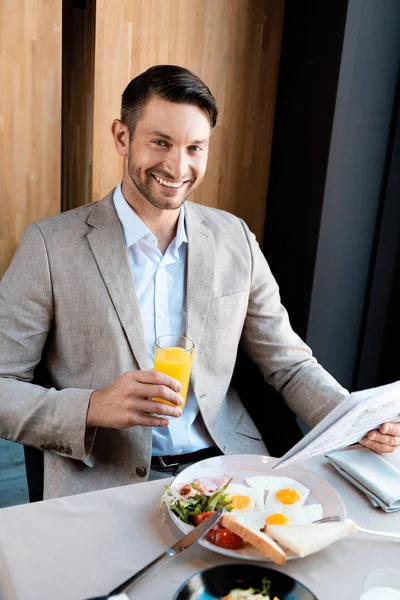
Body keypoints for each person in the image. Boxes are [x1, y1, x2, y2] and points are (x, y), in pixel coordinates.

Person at [0, 65, 399, 500]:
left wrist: (352, 420)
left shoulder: (235, 239)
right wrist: (92, 406)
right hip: (101, 479)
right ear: (121, 137)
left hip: (226, 469)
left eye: (195, 147)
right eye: (160, 142)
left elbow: (289, 364)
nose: (178, 165)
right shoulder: (49, 245)